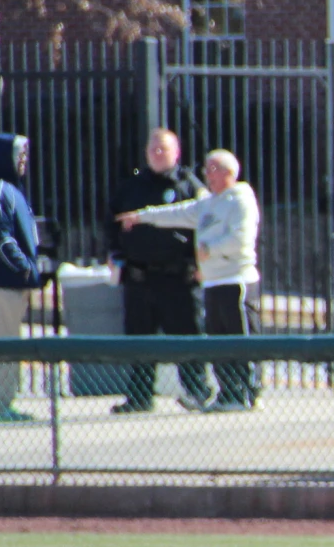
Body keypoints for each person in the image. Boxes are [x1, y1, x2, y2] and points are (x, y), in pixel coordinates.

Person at [118, 147, 260, 410]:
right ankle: (227, 392)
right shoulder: (207, 202)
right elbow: (176, 213)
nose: (207, 175)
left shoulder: (241, 199)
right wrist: (141, 216)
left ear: (229, 172)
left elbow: (241, 238)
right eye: (206, 169)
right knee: (218, 343)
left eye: (213, 169)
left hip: (235, 280)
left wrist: (210, 249)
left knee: (240, 340)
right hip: (212, 281)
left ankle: (246, 393)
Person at [108, 128, 210, 413]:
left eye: (163, 149)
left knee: (187, 338)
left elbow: (205, 228)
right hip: (140, 278)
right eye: (153, 149)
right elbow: (112, 225)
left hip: (178, 278)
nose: (157, 154)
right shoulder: (131, 188)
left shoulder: (189, 186)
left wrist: (200, 264)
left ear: (176, 152)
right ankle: (139, 397)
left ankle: (197, 392)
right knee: (139, 340)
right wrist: (115, 255)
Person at [0, 130, 51, 423]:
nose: (24, 160)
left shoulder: (12, 190)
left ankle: (5, 404)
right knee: (2, 346)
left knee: (10, 346)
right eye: (20, 154)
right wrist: (24, 267)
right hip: (0, 281)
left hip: (13, 282)